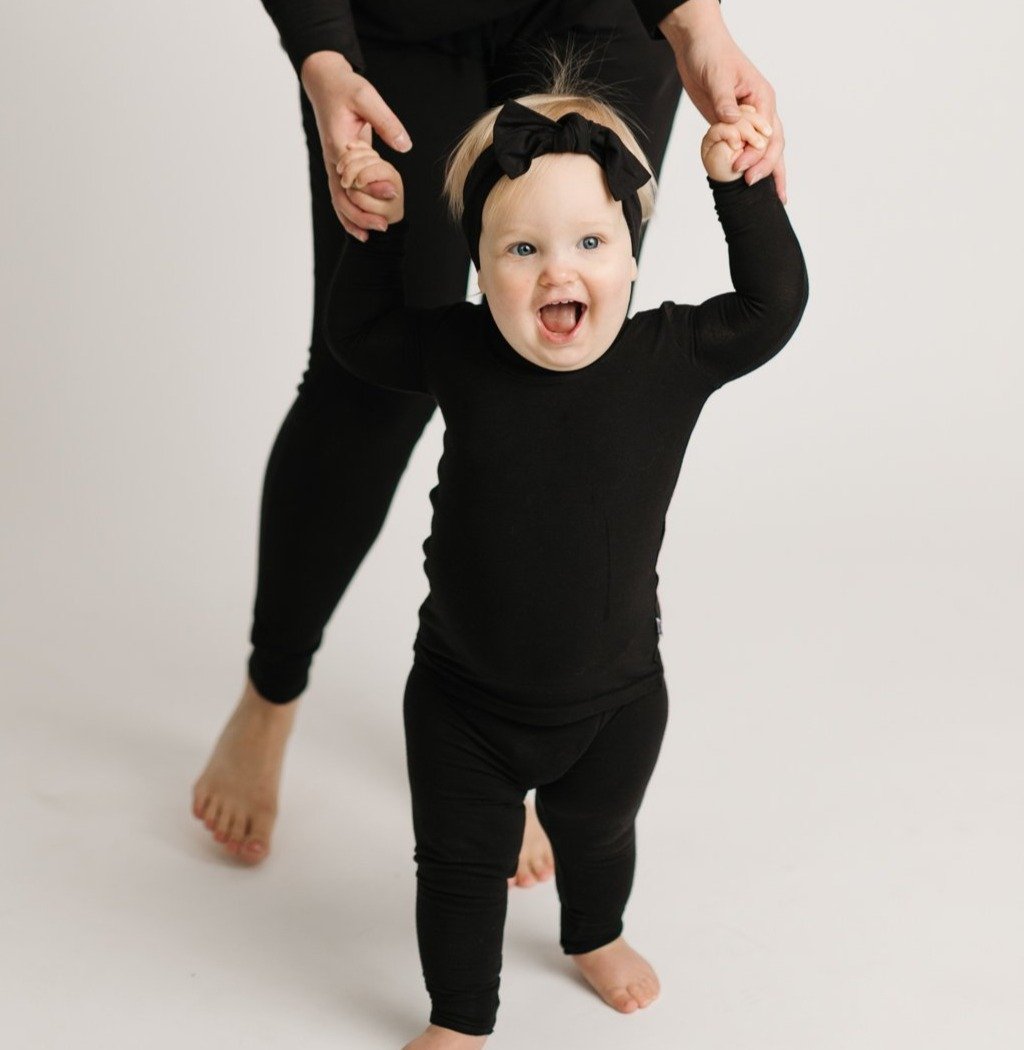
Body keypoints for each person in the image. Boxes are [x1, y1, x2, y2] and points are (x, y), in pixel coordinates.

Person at [192, 0, 788, 875]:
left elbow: (762, 311)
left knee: (566, 366)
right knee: (364, 384)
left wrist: (694, 21)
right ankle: (271, 687)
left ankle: (513, 753)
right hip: (399, 28)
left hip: (605, 16)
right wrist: (321, 53)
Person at [323, 78, 807, 1047]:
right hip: (462, 698)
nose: (559, 272)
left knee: (598, 837)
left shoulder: (669, 354)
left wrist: (740, 189)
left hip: (614, 700)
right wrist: (373, 226)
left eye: (591, 242)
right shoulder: (459, 351)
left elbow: (771, 306)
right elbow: (360, 337)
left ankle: (595, 934)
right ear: (478, 268)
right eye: (522, 248)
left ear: (630, 255)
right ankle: (461, 1019)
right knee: (459, 867)